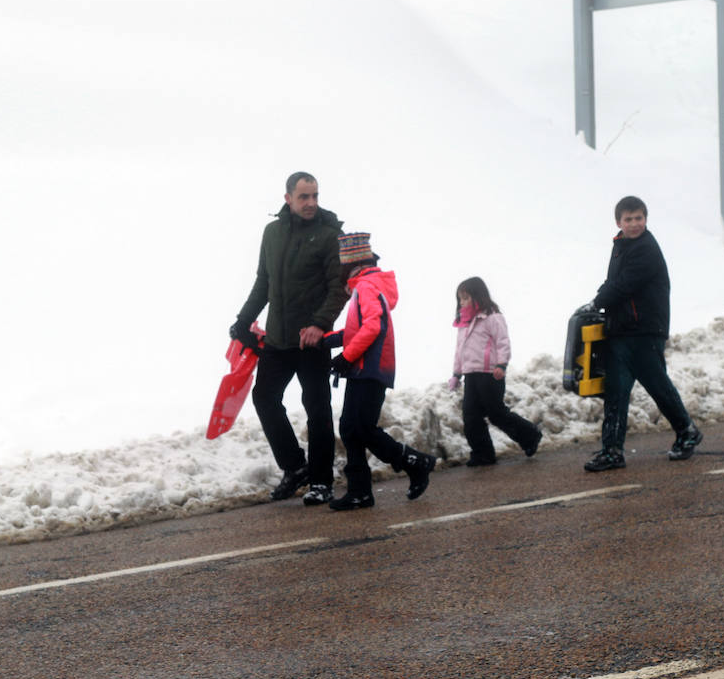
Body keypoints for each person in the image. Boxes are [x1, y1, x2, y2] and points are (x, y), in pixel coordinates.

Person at [231, 172, 348, 505]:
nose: (311, 203)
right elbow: (263, 283)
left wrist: (319, 324)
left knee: (317, 408)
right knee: (265, 398)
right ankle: (296, 467)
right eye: (303, 197)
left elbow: (338, 288)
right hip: (278, 339)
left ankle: (322, 480)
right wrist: (243, 320)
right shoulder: (272, 233)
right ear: (288, 199)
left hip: (311, 341)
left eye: (314, 196)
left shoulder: (329, 236)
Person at [581, 195, 702, 472]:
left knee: (657, 386)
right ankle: (612, 451)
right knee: (617, 392)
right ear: (618, 222)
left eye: (639, 218)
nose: (634, 224)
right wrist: (597, 298)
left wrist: (597, 303)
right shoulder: (622, 246)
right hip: (624, 330)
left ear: (645, 219)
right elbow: (613, 282)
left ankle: (687, 430)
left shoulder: (645, 248)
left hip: (644, 330)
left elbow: (625, 284)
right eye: (629, 219)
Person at [322, 232, 436, 511]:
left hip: (369, 369)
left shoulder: (366, 287)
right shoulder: (367, 286)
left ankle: (414, 461)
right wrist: (327, 340)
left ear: (350, 265)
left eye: (341, 265)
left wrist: (346, 357)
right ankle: (359, 492)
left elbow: (373, 327)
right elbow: (356, 329)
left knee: (361, 428)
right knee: (350, 428)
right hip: (364, 369)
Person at [449, 277, 542, 466]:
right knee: (470, 415)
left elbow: (503, 342)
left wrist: (501, 365)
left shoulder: (492, 317)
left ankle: (530, 436)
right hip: (471, 375)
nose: (462, 303)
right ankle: (483, 453)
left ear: (478, 296)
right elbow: (460, 351)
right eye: (460, 299)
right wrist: (456, 374)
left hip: (491, 374)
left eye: (466, 298)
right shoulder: (463, 323)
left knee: (496, 413)